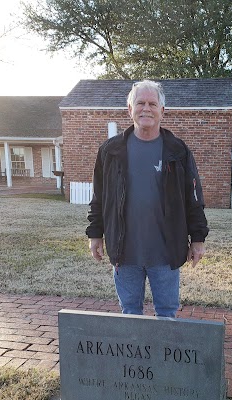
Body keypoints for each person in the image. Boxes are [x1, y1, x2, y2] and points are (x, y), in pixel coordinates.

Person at [86, 79, 209, 318]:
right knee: (130, 312)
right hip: (124, 250)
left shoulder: (177, 150)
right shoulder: (110, 151)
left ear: (162, 111)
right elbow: (99, 197)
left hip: (166, 250)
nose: (146, 108)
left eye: (152, 103)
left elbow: (193, 197)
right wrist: (94, 233)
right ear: (129, 109)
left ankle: (163, 355)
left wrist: (198, 238)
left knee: (167, 313)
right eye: (140, 103)